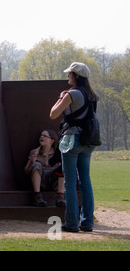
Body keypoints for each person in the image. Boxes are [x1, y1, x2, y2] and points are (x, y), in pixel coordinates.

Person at [50, 62, 100, 232]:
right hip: (88, 141)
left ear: (76, 76)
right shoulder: (92, 96)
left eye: (69, 74)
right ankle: (87, 222)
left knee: (70, 182)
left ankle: (72, 223)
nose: (68, 76)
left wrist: (60, 97)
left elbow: (53, 114)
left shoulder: (71, 94)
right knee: (85, 180)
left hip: (72, 139)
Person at [24, 129, 65, 207]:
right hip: (41, 181)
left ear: (52, 140)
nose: (41, 137)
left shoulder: (58, 153)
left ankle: (60, 197)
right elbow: (26, 172)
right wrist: (30, 161)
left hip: (53, 180)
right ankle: (37, 197)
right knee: (36, 165)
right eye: (41, 135)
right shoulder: (34, 152)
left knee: (63, 167)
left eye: (45, 136)